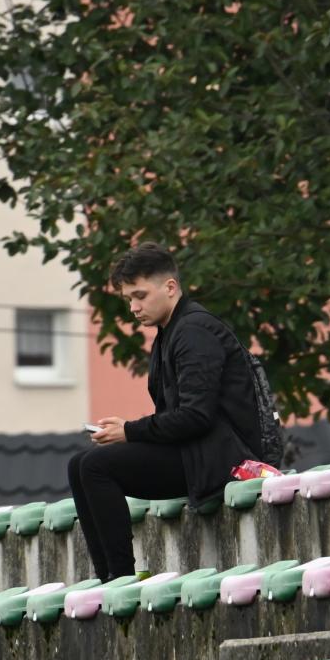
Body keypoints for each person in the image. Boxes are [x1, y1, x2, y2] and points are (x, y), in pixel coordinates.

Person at [67, 244, 265, 580]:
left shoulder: (193, 332)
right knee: (79, 464)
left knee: (95, 466)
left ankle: (120, 580)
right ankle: (106, 578)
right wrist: (131, 434)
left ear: (170, 287)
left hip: (227, 462)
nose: (134, 307)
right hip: (197, 453)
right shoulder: (170, 333)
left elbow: (196, 416)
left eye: (140, 296)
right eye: (129, 299)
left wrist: (129, 431)